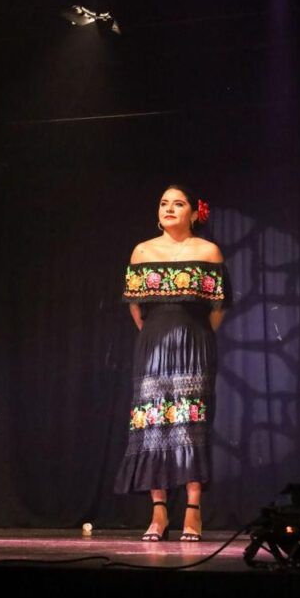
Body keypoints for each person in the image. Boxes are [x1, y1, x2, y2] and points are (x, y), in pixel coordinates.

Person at [116, 185, 230, 542]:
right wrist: (156, 333)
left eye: (178, 203)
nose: (169, 208)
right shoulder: (143, 250)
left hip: (195, 342)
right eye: (163, 202)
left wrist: (192, 333)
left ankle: (193, 510)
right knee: (153, 421)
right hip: (152, 344)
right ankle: (159, 510)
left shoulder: (207, 251)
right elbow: (136, 307)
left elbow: (218, 308)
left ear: (195, 213)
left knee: (190, 420)